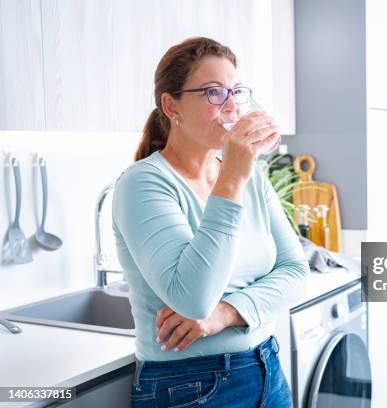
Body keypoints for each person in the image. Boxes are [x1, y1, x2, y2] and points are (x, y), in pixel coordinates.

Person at [112, 36, 309, 407]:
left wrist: (227, 313)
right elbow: (193, 298)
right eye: (213, 93)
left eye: (235, 92)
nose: (231, 106)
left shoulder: (252, 176)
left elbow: (296, 272)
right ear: (172, 106)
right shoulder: (143, 183)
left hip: (267, 369)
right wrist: (232, 179)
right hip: (189, 388)